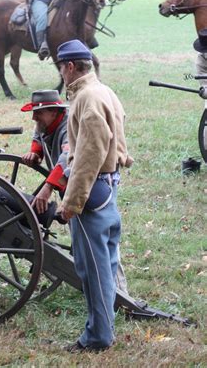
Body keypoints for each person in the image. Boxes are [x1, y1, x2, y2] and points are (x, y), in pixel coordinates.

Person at [56, 39, 133, 352]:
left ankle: (98, 336)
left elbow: (89, 155)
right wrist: (122, 159)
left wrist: (71, 204)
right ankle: (105, 326)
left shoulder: (86, 98)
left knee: (94, 270)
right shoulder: (104, 90)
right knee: (107, 261)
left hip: (93, 188)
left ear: (71, 66)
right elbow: (118, 134)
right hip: (109, 184)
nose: (61, 73)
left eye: (62, 67)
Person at [20, 90, 130, 295]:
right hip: (68, 187)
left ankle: (119, 291)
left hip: (87, 186)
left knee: (100, 240)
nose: (34, 117)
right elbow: (39, 135)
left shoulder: (68, 125)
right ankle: (90, 283)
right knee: (79, 237)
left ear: (54, 112)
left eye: (39, 113)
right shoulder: (46, 123)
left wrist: (47, 187)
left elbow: (67, 157)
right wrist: (35, 152)